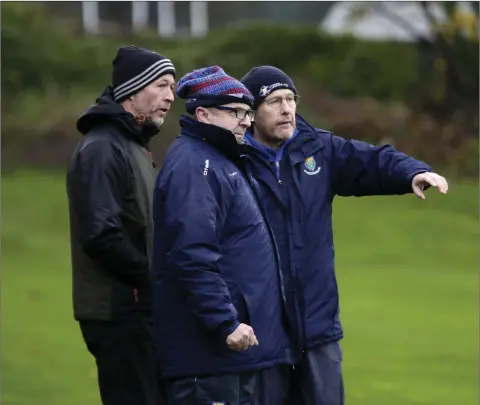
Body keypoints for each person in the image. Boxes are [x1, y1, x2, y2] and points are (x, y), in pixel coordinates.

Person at [240, 66, 449, 405]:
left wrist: (412, 172)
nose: (286, 109)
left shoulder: (318, 148)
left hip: (318, 328)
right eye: (274, 101)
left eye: (291, 99)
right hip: (261, 333)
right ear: (250, 113)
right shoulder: (233, 160)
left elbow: (371, 161)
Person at [151, 66, 293, 405]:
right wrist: (224, 322)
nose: (246, 120)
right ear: (203, 113)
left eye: (247, 111)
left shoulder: (218, 158)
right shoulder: (195, 165)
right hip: (207, 354)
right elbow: (192, 254)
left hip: (224, 355)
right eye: (235, 112)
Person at [66, 45, 176, 405]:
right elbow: (100, 234)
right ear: (132, 89)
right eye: (161, 85)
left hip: (140, 308)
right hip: (118, 313)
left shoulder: (135, 147)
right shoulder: (101, 148)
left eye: (172, 87)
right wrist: (150, 278)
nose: (170, 96)